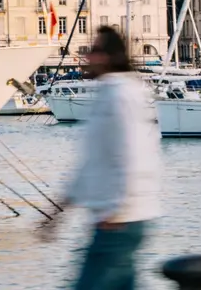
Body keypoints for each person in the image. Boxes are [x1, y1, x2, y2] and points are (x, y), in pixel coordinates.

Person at [40, 26, 161, 290]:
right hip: (114, 219)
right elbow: (91, 164)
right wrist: (57, 212)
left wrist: (118, 209)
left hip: (119, 221)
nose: (86, 58)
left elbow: (132, 153)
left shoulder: (121, 95)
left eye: (92, 51)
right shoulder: (109, 93)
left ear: (107, 56)